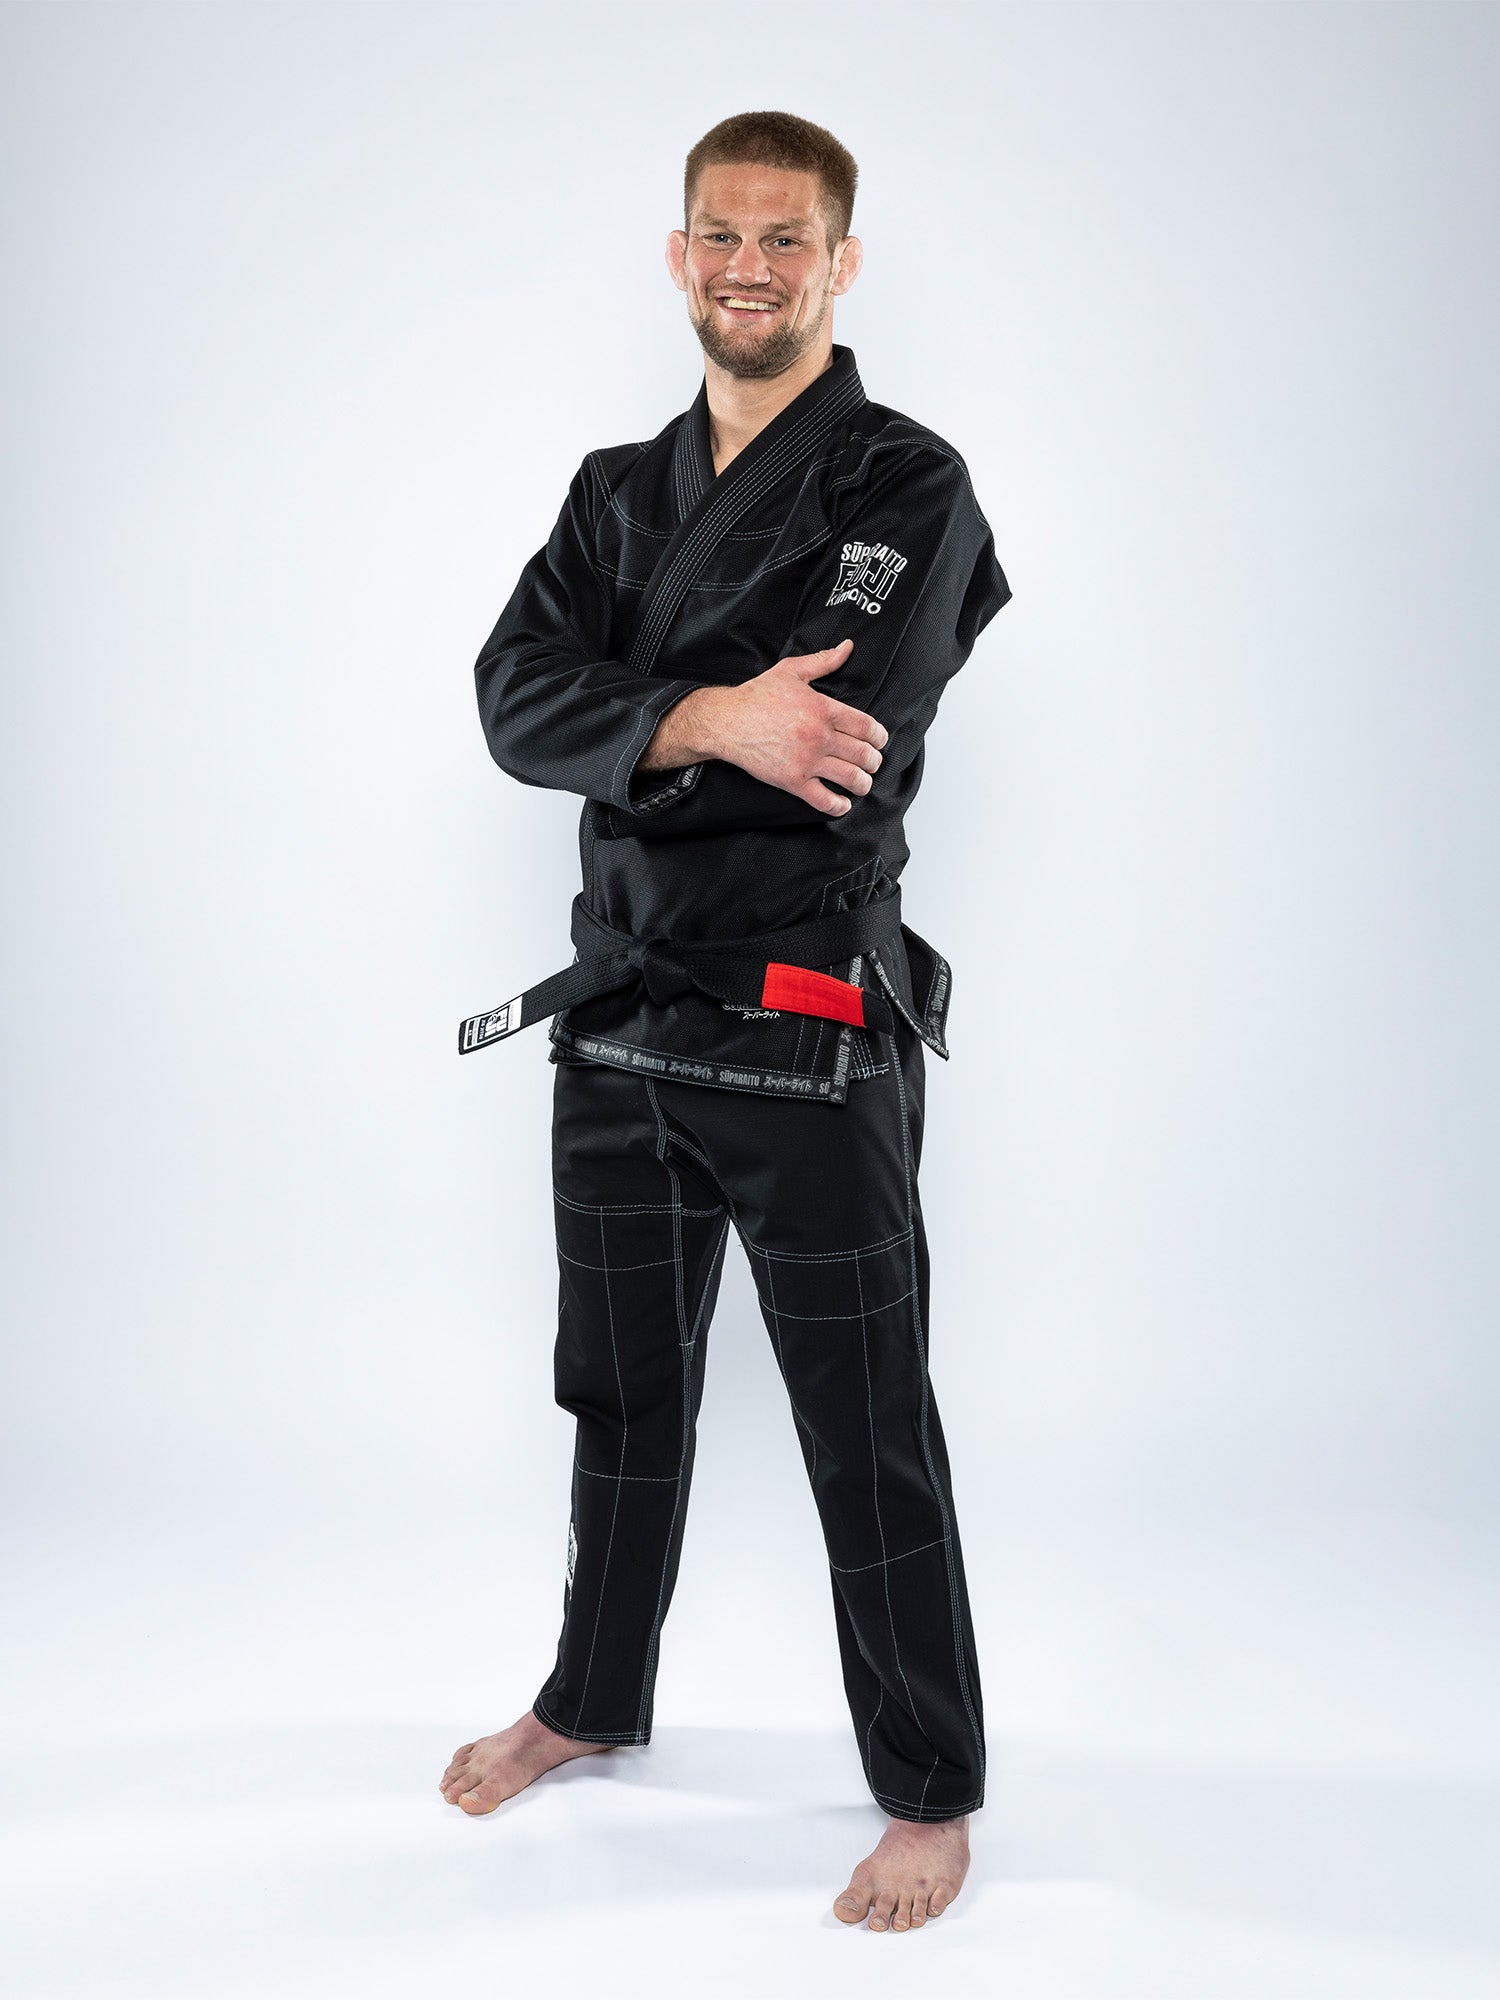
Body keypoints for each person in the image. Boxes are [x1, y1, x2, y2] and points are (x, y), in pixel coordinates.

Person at [442, 110, 1012, 1935]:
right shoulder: (616, 489)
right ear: (679, 253)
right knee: (619, 1388)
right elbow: (512, 701)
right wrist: (711, 717)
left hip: (808, 1020)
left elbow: (838, 746)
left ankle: (929, 1787)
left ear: (841, 263)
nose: (747, 269)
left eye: (784, 240)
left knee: (863, 1411)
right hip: (618, 1014)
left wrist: (639, 721)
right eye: (720, 235)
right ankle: (591, 1696)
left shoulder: (907, 485)